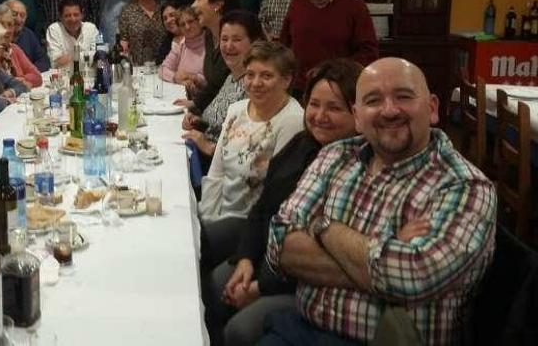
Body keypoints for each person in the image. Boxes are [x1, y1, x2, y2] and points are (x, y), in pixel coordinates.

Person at [262, 57, 497, 345]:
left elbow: (410, 278)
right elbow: (278, 245)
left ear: (433, 108)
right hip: (300, 329)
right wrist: (385, 253)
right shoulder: (335, 156)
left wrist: (321, 225)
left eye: (403, 96)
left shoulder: (465, 186)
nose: (389, 110)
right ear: (358, 116)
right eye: (374, 100)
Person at [204, 59, 363, 346]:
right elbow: (264, 206)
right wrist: (245, 260)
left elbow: (317, 258)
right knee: (209, 265)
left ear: (358, 113)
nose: (320, 115)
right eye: (314, 104)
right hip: (265, 250)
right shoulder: (302, 143)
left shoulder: (354, 165)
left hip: (301, 281)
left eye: (334, 108)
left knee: (239, 327)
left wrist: (258, 287)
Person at [198, 41, 303, 271]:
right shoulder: (236, 110)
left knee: (195, 249)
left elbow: (273, 195)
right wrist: (206, 218)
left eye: (266, 76)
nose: (255, 83)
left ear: (286, 80)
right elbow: (216, 173)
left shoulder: (292, 121)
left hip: (251, 225)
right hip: (220, 214)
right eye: (250, 75)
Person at [281, 0, 378, 96]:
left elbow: (369, 53)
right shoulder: (298, 2)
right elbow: (284, 44)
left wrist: (331, 69)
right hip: (297, 87)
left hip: (337, 89)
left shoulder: (355, 7)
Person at [180, 10, 264, 164]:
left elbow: (247, 149)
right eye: (224, 39)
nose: (228, 46)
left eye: (237, 39)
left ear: (255, 42)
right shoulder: (231, 77)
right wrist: (198, 121)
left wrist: (209, 147)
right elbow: (218, 126)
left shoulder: (255, 87)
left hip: (215, 167)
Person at [175, 0, 241, 114]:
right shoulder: (210, 35)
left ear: (217, 4)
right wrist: (195, 103)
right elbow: (214, 85)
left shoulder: (238, 41)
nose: (193, 6)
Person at [0, 4, 42, 88]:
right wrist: (21, 82)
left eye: (10, 25)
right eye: (1, 25)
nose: (7, 30)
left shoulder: (14, 49)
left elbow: (37, 77)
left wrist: (20, 80)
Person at [117, 0, 165, 66]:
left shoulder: (164, 8)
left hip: (164, 65)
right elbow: (123, 40)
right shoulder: (127, 11)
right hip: (138, 66)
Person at [46, 0, 99, 69]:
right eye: (67, 16)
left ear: (82, 15)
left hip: (89, 76)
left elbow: (99, 58)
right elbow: (56, 63)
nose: (73, 19)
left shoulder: (91, 28)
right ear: (60, 17)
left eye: (76, 15)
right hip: (64, 77)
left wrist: (70, 58)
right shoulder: (54, 30)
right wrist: (88, 56)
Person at [161, 6, 206, 88]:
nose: (187, 27)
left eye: (190, 21)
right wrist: (175, 77)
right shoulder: (181, 45)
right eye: (182, 24)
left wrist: (194, 78)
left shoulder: (211, 43)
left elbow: (214, 80)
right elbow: (163, 69)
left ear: (199, 20)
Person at [6, 0, 50, 71]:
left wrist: (29, 72)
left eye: (22, 15)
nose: (19, 19)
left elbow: (43, 60)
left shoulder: (28, 34)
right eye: (14, 14)